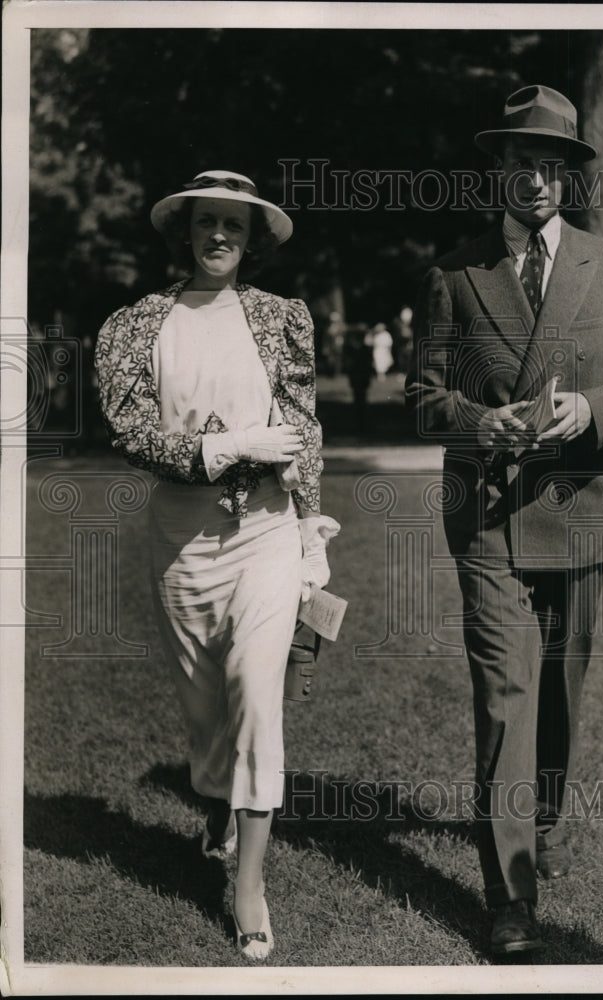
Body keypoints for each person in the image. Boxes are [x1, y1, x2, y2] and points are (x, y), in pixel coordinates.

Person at [405, 86, 603, 957]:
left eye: (549, 163)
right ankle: (509, 892)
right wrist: (469, 419)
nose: (533, 177)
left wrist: (592, 411)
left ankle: (542, 817)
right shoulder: (453, 272)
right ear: (496, 168)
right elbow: (419, 396)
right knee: (506, 694)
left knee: (559, 691)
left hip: (581, 509)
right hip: (484, 516)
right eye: (518, 160)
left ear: (567, 174)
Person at [95, 169, 339, 961]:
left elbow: (302, 429)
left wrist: (308, 531)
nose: (219, 237)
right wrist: (231, 445)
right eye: (206, 223)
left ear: (252, 236)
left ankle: (248, 887)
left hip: (265, 531)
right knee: (206, 709)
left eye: (234, 225)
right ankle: (217, 801)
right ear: (185, 231)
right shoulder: (140, 324)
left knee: (256, 696)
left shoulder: (279, 319)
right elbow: (128, 432)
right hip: (182, 538)